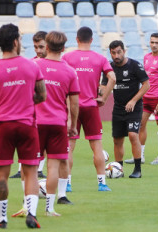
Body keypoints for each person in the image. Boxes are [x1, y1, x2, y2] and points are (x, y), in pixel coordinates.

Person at [0, 23, 46, 229]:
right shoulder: (32, 65)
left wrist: (0, 103)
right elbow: (42, 95)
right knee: (31, 172)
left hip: (3, 126)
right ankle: (32, 214)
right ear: (16, 41)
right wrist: (26, 100)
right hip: (27, 125)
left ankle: (2, 220)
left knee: (1, 175)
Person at [62, 27, 116, 191]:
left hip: (73, 106)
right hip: (91, 106)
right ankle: (102, 183)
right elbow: (112, 77)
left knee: (69, 147)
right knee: (97, 147)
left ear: (77, 39)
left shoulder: (67, 57)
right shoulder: (99, 58)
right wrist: (104, 98)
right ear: (92, 40)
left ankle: (68, 183)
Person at [35, 31, 80, 216]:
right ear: (63, 48)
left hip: (36, 122)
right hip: (58, 122)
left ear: (46, 46)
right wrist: (73, 125)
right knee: (53, 166)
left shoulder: (34, 65)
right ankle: (50, 208)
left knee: (30, 164)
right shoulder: (70, 71)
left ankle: (27, 205)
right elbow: (75, 103)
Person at [102, 40, 150, 178]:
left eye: (119, 52)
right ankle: (119, 169)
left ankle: (137, 169)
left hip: (134, 108)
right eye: (113, 53)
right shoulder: (109, 68)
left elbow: (146, 85)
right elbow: (104, 86)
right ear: (110, 53)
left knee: (133, 135)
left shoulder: (134, 65)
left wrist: (134, 100)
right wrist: (100, 91)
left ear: (124, 51)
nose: (116, 55)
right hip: (118, 108)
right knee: (117, 139)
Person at [125, 33, 158, 165]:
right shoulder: (146, 57)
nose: (154, 45)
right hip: (146, 97)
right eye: (152, 42)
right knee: (140, 125)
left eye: (157, 42)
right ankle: (140, 156)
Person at [10, 30, 48, 179]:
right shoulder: (30, 64)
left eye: (41, 47)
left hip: (49, 111)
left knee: (43, 143)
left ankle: (39, 169)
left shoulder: (57, 63)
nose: (38, 50)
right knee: (25, 141)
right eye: (35, 47)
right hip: (32, 111)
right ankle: (20, 170)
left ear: (48, 46)